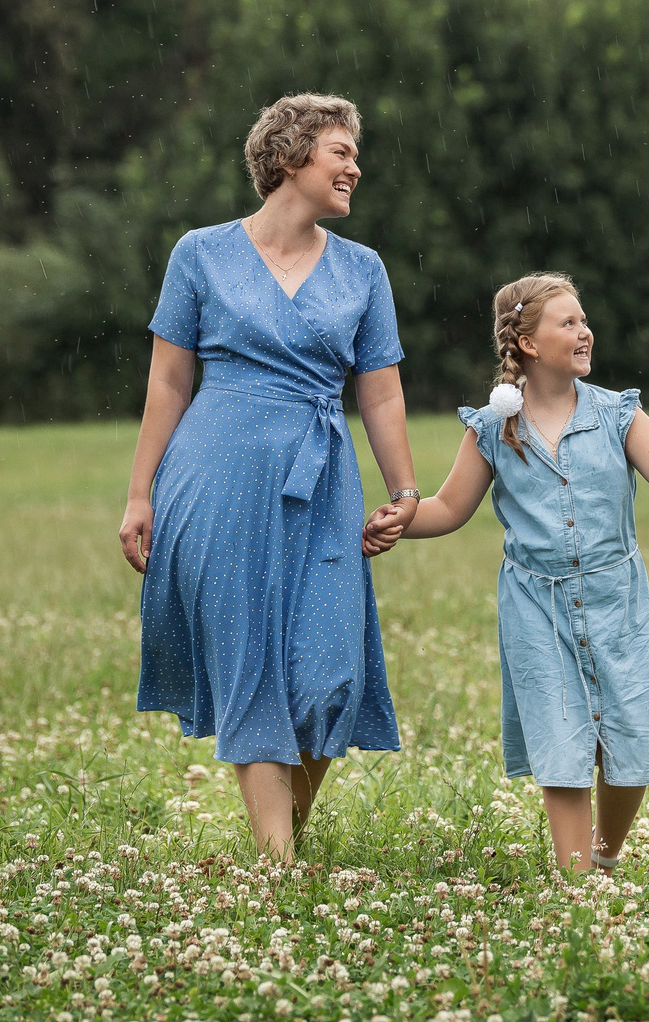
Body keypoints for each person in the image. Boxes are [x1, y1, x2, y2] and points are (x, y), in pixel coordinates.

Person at [367, 272, 649, 873]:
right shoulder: (493, 428)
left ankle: (605, 853)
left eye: (584, 321)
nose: (586, 331)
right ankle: (577, 881)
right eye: (569, 323)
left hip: (615, 599)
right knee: (561, 743)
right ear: (527, 343)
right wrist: (401, 520)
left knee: (629, 745)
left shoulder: (617, 415)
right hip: (535, 605)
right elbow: (449, 508)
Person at [118, 93, 421, 861]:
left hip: (322, 481)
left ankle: (276, 843)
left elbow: (379, 391)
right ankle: (277, 870)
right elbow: (168, 384)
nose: (355, 166)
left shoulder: (363, 270)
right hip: (212, 473)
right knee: (247, 661)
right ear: (290, 158)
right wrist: (139, 493)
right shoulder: (200, 254)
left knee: (329, 680)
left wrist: (405, 491)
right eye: (341, 152)